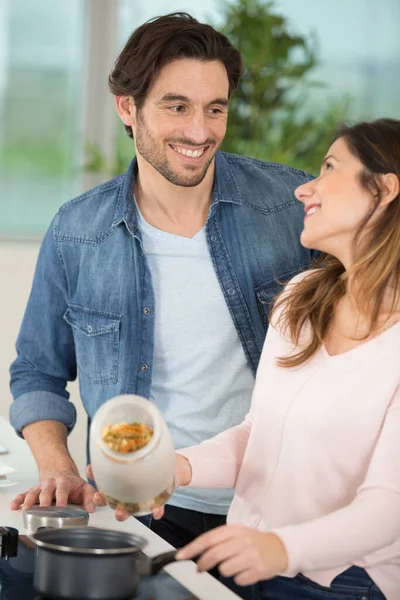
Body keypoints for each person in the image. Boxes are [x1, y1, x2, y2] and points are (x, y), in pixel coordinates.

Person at [9, 13, 315, 549]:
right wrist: (58, 468)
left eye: (214, 109)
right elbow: (37, 371)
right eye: (177, 106)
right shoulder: (78, 233)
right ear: (128, 107)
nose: (200, 132)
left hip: (277, 509)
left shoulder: (290, 207)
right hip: (143, 516)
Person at [162, 118, 400, 600]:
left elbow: (388, 507)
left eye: (329, 167)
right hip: (250, 561)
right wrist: (175, 468)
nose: (303, 190)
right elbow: (259, 436)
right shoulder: (301, 299)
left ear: (383, 188)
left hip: (345, 583)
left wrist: (278, 548)